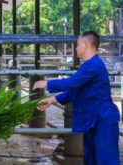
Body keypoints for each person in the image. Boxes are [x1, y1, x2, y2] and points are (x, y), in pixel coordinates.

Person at [33, 31, 120, 165]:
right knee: (91, 159)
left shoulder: (93, 65)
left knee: (106, 160)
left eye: (78, 44)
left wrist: (46, 83)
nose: (76, 48)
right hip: (94, 119)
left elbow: (71, 82)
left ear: (85, 45)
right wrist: (53, 100)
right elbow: (77, 89)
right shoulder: (88, 65)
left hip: (103, 119)